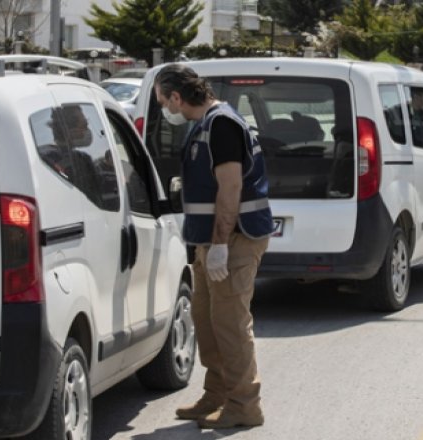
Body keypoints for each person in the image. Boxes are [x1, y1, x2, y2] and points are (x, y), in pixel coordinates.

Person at [154, 63, 273, 429]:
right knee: (208, 323)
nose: (164, 109)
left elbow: (231, 188)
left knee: (231, 326)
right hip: (212, 241)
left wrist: (220, 244)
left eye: (163, 101)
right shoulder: (206, 125)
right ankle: (218, 394)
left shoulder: (221, 124)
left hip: (234, 238)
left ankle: (244, 405)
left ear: (177, 96)